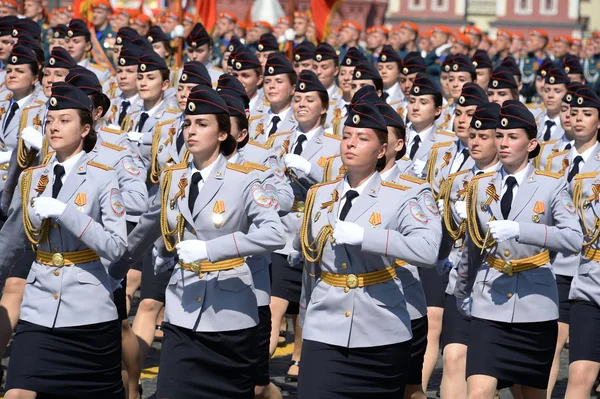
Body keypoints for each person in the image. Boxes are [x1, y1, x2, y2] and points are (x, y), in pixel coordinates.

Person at [109, 85, 285, 399]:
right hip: (183, 308)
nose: (191, 131)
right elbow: (149, 225)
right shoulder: (174, 177)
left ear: (222, 134)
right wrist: (114, 267)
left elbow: (273, 234)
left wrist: (211, 249)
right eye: (188, 124)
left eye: (202, 124)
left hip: (230, 312)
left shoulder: (245, 178)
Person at [296, 98, 441, 399]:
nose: (350, 144)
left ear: (383, 149)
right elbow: (311, 264)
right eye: (347, 136)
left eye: (362, 138)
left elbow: (427, 250)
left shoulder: (409, 193)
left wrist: (367, 236)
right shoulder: (319, 194)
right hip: (325, 326)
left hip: (380, 328)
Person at [0, 81, 127, 398]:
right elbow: (23, 236)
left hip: (88, 311)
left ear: (85, 128)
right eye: (50, 120)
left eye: (65, 120)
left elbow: (116, 246)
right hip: (39, 307)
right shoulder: (33, 177)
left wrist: (67, 212)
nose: (54, 127)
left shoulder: (103, 175)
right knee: (16, 393)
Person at [454, 100, 583, 399]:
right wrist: (463, 292)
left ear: (531, 143)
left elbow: (574, 238)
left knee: (531, 395)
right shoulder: (479, 185)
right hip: (490, 300)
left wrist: (523, 231)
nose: (503, 143)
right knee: (478, 392)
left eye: (512, 137)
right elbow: (472, 249)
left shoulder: (551, 185)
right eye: (500, 136)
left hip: (535, 304)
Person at [438, 102, 502, 399]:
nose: (475, 141)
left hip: (498, 285)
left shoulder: (509, 181)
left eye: (484, 136)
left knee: (493, 377)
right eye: (473, 136)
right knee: (452, 358)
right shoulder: (455, 182)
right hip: (460, 283)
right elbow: (445, 234)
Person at [562, 86, 600, 398]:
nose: (578, 119)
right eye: (574, 113)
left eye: (587, 114)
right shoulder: (553, 158)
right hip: (584, 279)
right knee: (578, 375)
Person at [122, 51, 180, 170]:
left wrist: (141, 137)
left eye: (150, 78)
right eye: (140, 78)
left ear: (164, 85)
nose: (143, 83)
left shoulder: (171, 119)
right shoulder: (132, 116)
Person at [249, 52, 297, 144]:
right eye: (267, 82)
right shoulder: (253, 122)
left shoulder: (299, 123)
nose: (272, 86)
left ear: (292, 89)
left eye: (279, 81)